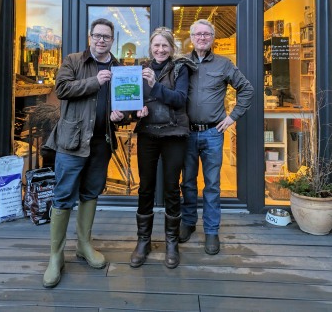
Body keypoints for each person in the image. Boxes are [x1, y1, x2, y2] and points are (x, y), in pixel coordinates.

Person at [43, 18, 125, 288]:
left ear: (113, 41)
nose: (101, 40)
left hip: (102, 141)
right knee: (64, 195)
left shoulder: (119, 67)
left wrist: (121, 116)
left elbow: (125, 104)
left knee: (91, 193)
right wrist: (94, 81)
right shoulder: (73, 60)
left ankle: (83, 246)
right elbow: (62, 89)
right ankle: (56, 256)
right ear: (90, 37)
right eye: (97, 36)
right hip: (72, 141)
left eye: (107, 37)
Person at [180, 19, 254, 255]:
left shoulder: (224, 64)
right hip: (187, 133)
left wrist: (232, 117)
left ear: (212, 38)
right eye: (198, 34)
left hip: (213, 133)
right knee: (188, 182)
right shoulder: (180, 64)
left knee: (212, 185)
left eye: (207, 34)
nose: (202, 38)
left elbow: (247, 89)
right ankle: (189, 223)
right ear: (191, 38)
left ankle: (211, 231)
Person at [130, 27, 197, 269]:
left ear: (172, 48)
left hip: (174, 135)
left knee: (171, 188)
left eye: (165, 46)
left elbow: (180, 99)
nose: (160, 50)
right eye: (156, 45)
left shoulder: (181, 68)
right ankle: (143, 241)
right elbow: (131, 99)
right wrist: (135, 110)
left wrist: (154, 84)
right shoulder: (139, 69)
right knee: (145, 187)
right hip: (148, 134)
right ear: (150, 47)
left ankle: (171, 243)